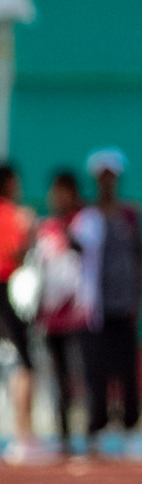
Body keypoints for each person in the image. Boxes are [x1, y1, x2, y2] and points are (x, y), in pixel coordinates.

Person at [80, 148, 142, 457]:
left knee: (127, 371)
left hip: (125, 306)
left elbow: (141, 259)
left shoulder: (131, 215)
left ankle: (131, 427)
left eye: (112, 177)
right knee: (97, 370)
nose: (108, 183)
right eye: (102, 178)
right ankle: (98, 427)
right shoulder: (87, 216)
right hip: (95, 308)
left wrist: (139, 301)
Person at [34, 171, 103, 459]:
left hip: (80, 312)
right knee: (59, 379)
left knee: (85, 376)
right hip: (52, 315)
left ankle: (92, 435)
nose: (56, 198)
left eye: (62, 192)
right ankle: (63, 438)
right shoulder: (45, 226)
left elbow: (85, 249)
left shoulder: (87, 220)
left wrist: (64, 229)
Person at [0, 165, 40, 465]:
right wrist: (30, 231)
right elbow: (17, 252)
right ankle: (23, 436)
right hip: (7, 291)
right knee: (23, 363)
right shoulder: (14, 215)